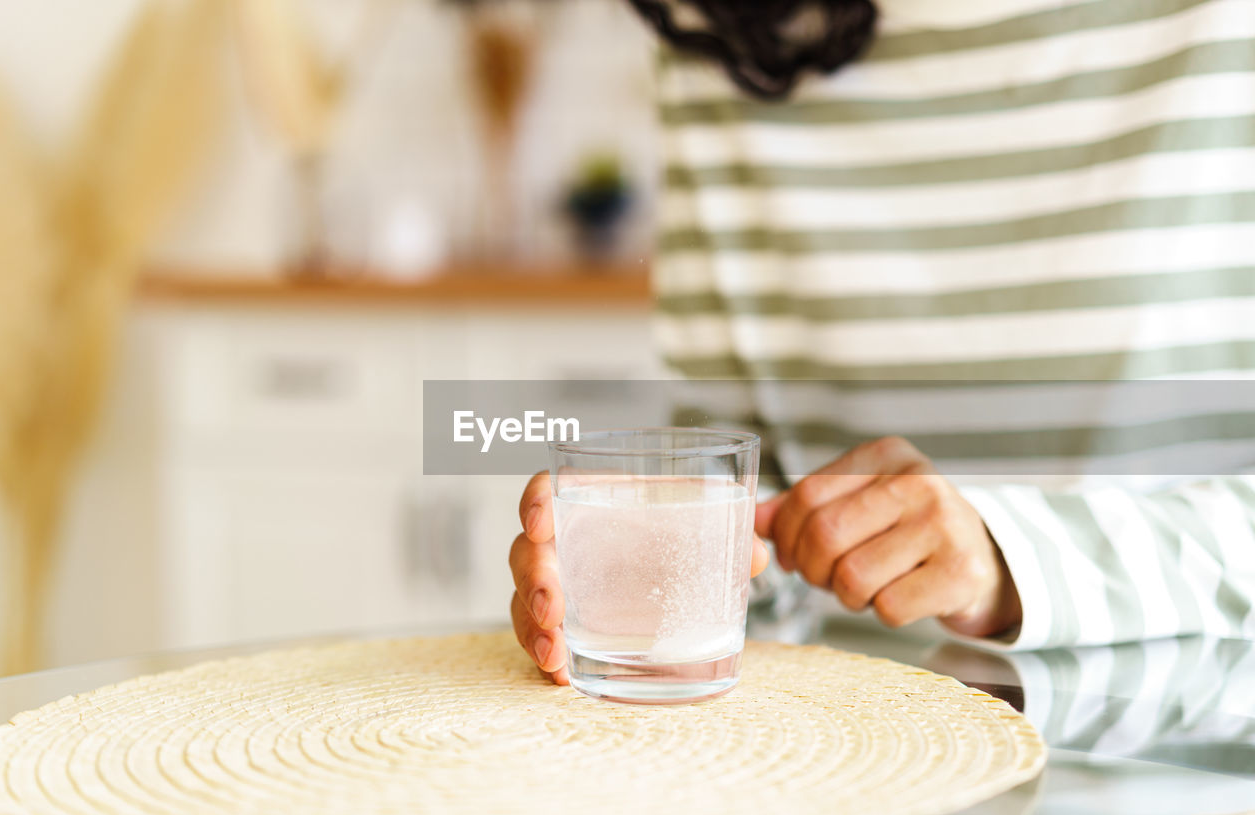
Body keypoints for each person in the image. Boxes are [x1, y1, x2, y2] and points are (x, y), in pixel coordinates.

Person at [509, 0, 1255, 684]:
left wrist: (1013, 560)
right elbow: (746, 504)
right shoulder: (717, 30)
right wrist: (664, 571)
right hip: (825, 753)